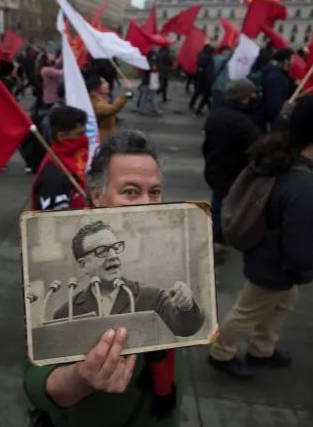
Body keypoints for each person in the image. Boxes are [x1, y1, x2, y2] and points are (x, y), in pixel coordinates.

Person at [24, 130, 189, 427]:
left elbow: (188, 327)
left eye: (154, 192)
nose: (147, 205)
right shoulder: (61, 263)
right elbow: (38, 381)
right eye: (130, 192)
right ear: (97, 195)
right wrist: (80, 378)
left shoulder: (170, 251)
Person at [207, 95, 313, 379]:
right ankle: (221, 353)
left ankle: (262, 349)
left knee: (281, 304)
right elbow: (300, 235)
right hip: (276, 261)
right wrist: (303, 269)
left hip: (266, 251)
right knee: (247, 310)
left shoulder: (281, 158)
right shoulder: (301, 183)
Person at [53, 220, 204, 336]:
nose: (113, 256)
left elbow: (185, 329)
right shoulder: (67, 313)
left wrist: (186, 306)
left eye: (115, 248)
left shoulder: (152, 297)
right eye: (102, 251)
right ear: (83, 264)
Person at [202, 79, 261, 244]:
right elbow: (258, 145)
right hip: (233, 170)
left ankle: (215, 232)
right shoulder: (241, 122)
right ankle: (219, 235)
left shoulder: (216, 113)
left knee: (218, 202)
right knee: (227, 204)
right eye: (251, 95)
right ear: (243, 98)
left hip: (215, 167)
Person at [32, 106, 89, 211]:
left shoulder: (70, 159)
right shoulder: (52, 176)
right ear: (61, 136)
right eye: (79, 134)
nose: (85, 138)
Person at [87, 75, 133, 141]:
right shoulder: (96, 103)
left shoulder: (102, 99)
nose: (107, 83)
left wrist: (128, 92)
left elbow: (128, 95)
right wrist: (127, 90)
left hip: (106, 138)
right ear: (95, 87)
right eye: (103, 83)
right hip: (101, 140)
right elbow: (113, 109)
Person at [259, 48, 294, 131]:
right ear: (286, 60)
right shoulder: (277, 78)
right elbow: (273, 106)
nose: (294, 63)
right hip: (271, 123)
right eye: (293, 60)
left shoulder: (277, 74)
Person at [189, 45, 215, 116]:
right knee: (207, 94)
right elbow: (210, 69)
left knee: (198, 92)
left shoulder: (201, 55)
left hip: (200, 76)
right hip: (206, 78)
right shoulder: (209, 58)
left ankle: (191, 104)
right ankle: (200, 109)